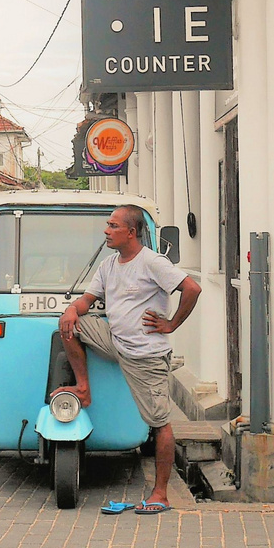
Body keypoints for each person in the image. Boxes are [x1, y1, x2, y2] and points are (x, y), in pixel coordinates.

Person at [55, 204, 201, 515]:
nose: (106, 231)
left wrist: (172, 323)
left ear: (131, 233)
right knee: (68, 326)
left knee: (159, 423)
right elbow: (87, 300)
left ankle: (161, 493)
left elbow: (192, 288)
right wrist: (71, 310)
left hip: (145, 356)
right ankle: (83, 388)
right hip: (116, 341)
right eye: (107, 225)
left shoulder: (152, 263)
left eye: (113, 226)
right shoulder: (109, 265)